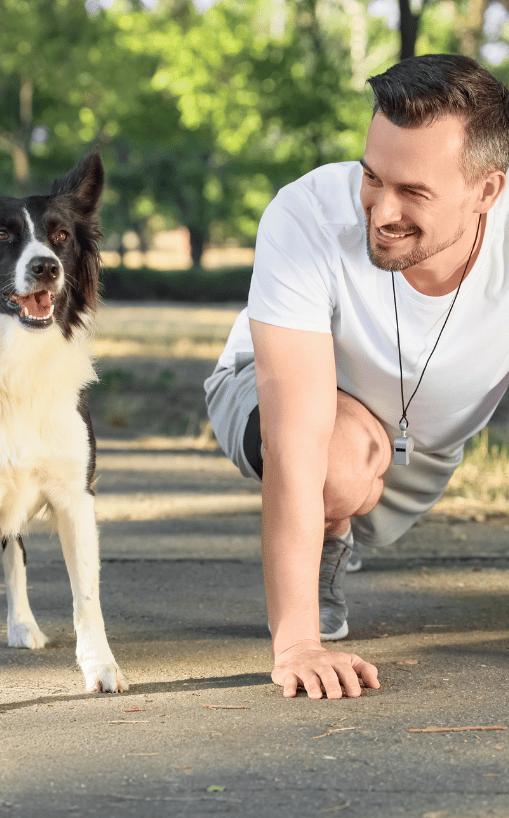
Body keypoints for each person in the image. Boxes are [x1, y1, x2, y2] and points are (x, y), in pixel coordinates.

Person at [204, 54, 509, 700]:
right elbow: (295, 442)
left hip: (425, 445)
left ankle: (346, 518)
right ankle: (323, 550)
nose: (380, 209)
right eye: (373, 176)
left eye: (414, 192)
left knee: (358, 461)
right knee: (336, 460)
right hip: (284, 404)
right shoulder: (307, 217)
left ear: (487, 190)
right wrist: (297, 642)